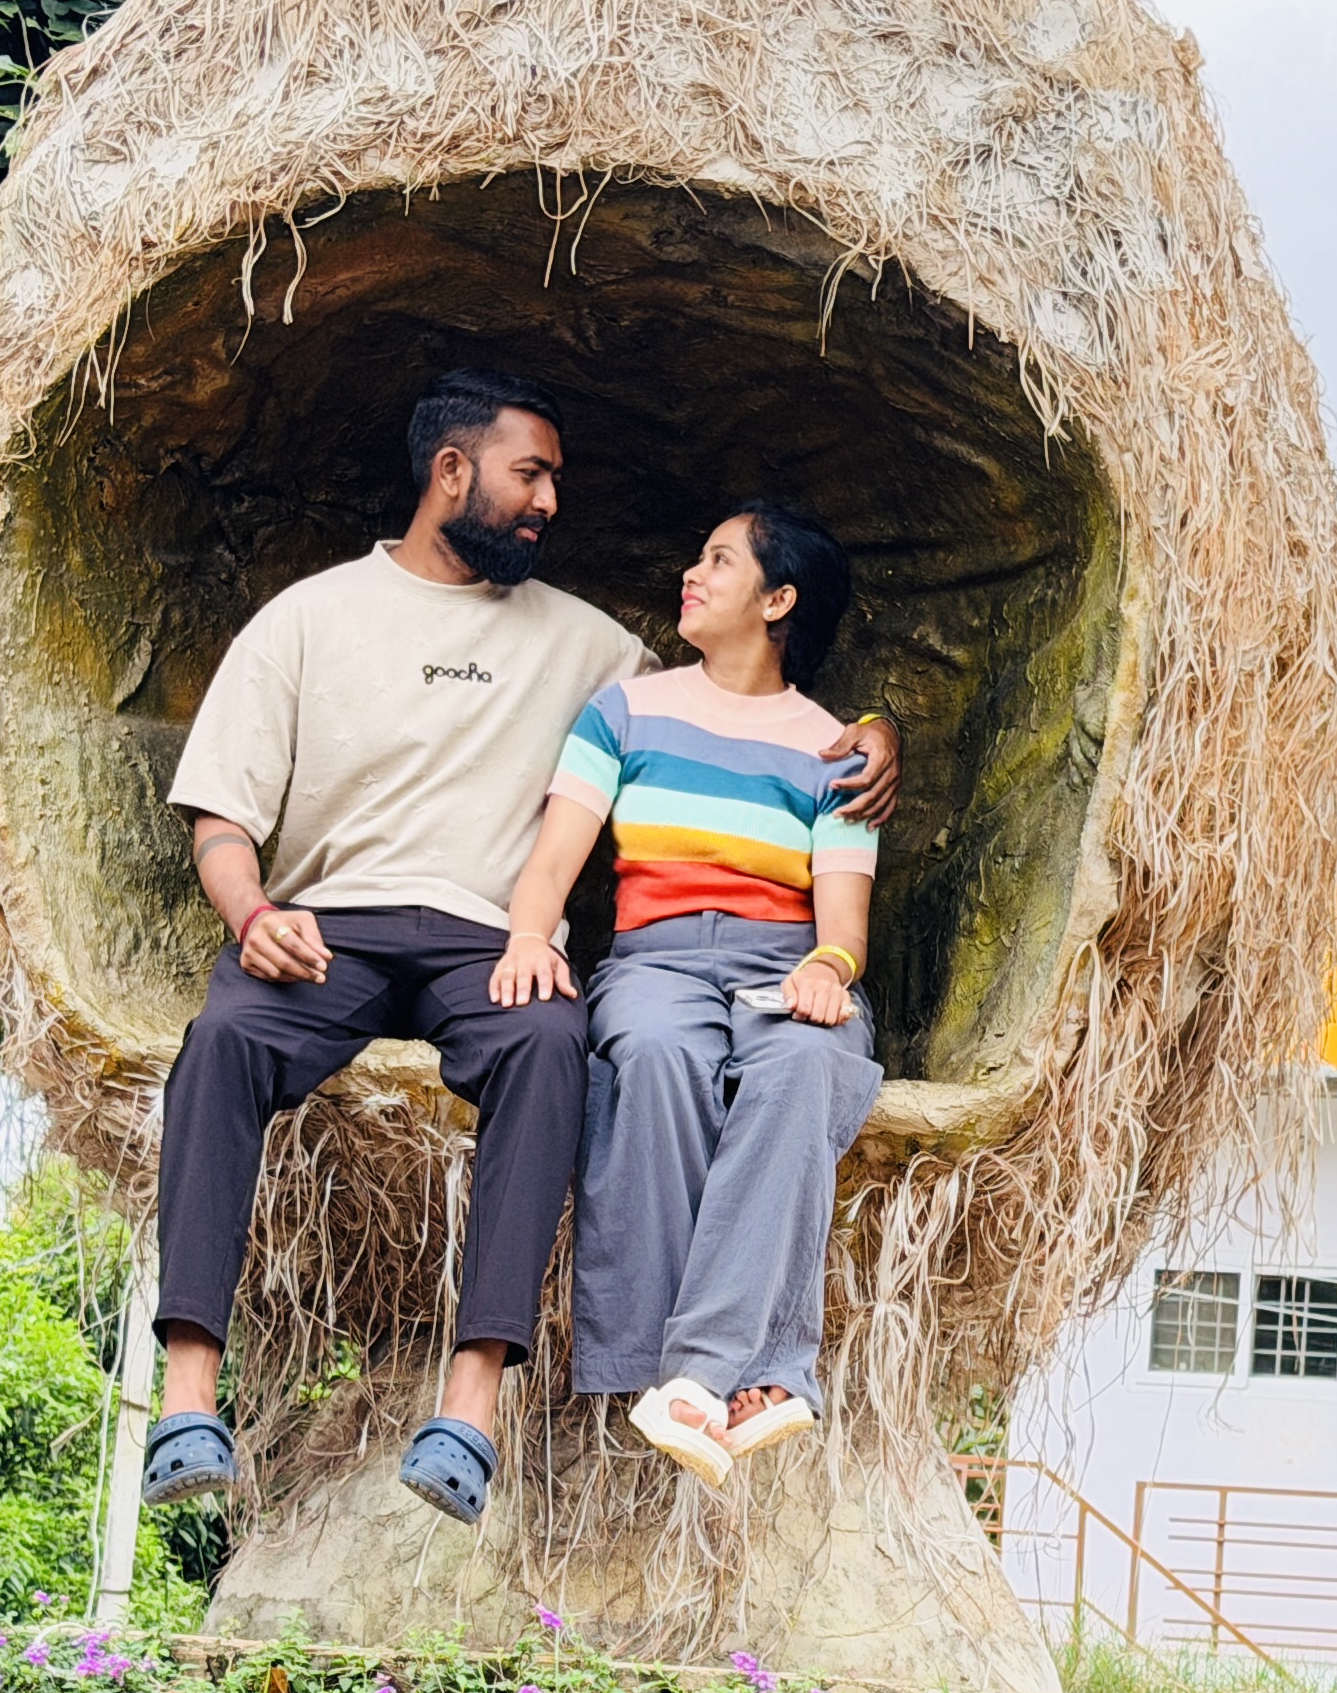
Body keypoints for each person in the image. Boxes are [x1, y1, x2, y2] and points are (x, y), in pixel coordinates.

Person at [141, 374, 899, 1523]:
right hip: (324, 926)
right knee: (224, 1038)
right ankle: (188, 1399)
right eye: (528, 475)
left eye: (553, 480)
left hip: (479, 946)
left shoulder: (594, 648)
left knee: (554, 1040)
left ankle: (470, 1412)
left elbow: (747, 703)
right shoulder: (308, 617)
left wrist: (885, 731)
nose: (549, 501)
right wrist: (254, 917)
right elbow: (219, 821)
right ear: (454, 472)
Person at [488, 502, 883, 1484]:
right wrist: (530, 937)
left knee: (804, 1064)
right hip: (656, 959)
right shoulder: (626, 712)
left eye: (717, 560)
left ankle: (692, 1380)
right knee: (656, 1059)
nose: (691, 575)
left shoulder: (838, 748)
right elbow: (551, 863)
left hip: (785, 957)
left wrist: (828, 973)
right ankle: (762, 1371)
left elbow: (843, 927)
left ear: (777, 599)